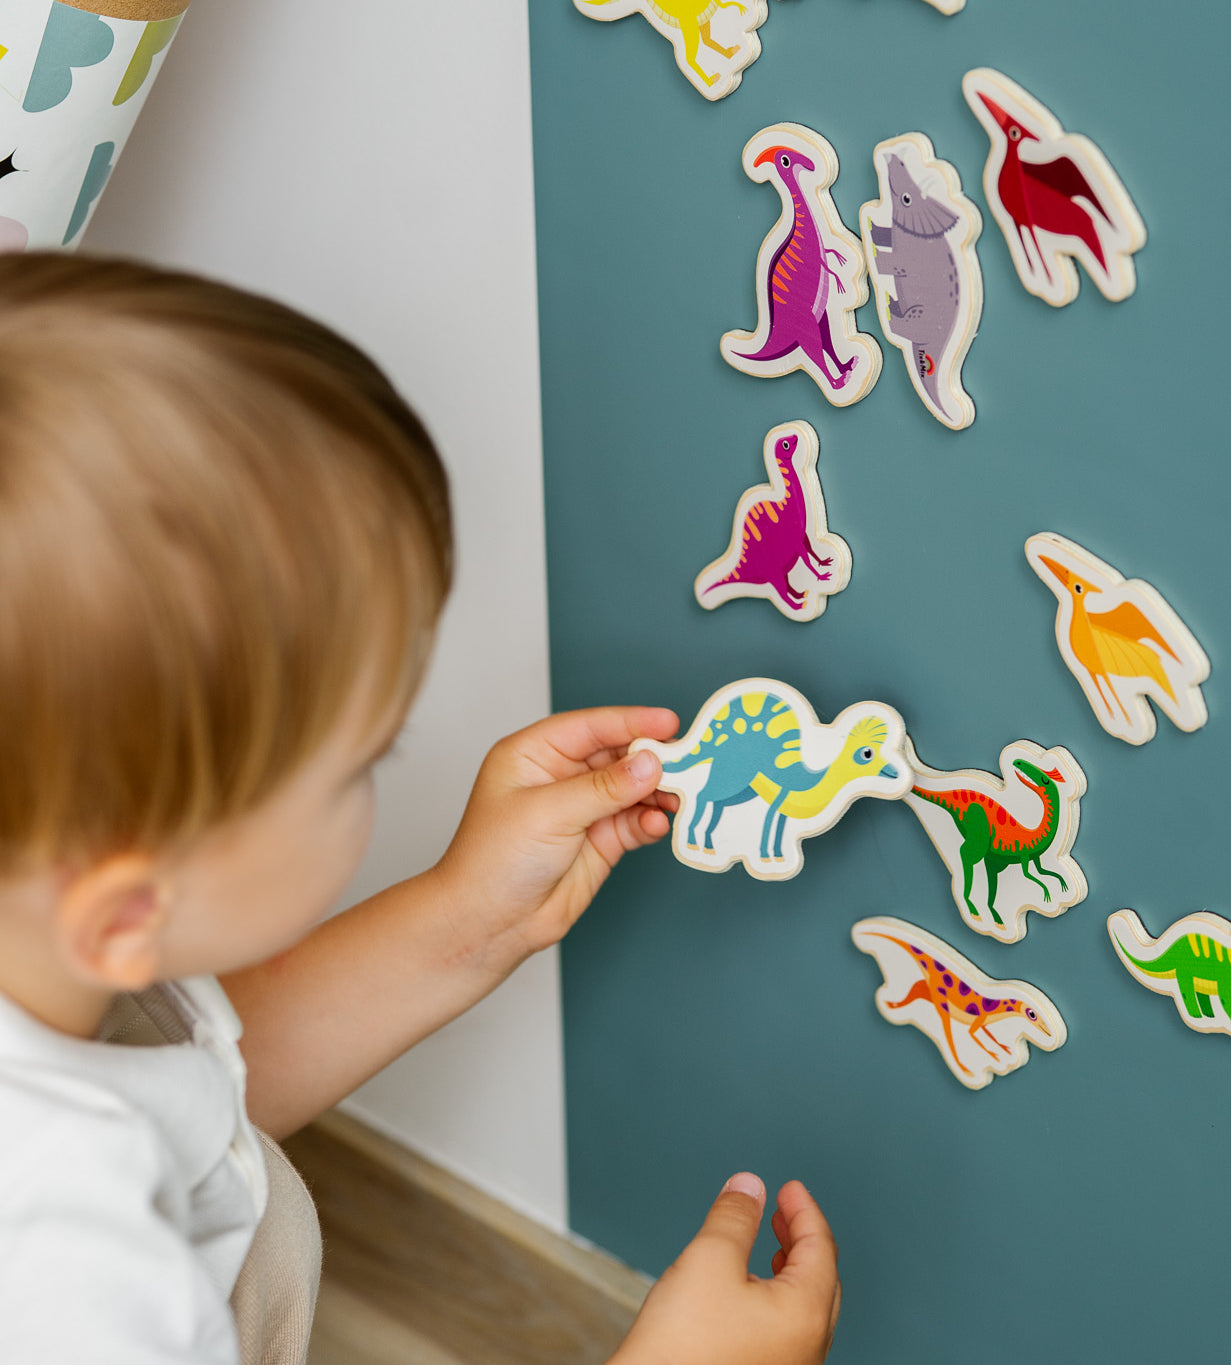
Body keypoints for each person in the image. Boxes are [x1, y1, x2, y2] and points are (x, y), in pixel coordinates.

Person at [0, 253, 841, 1365]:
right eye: (363, 763)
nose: (383, 771)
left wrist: (467, 918)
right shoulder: (74, 1289)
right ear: (123, 912)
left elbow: (189, 1085)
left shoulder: (42, 940)